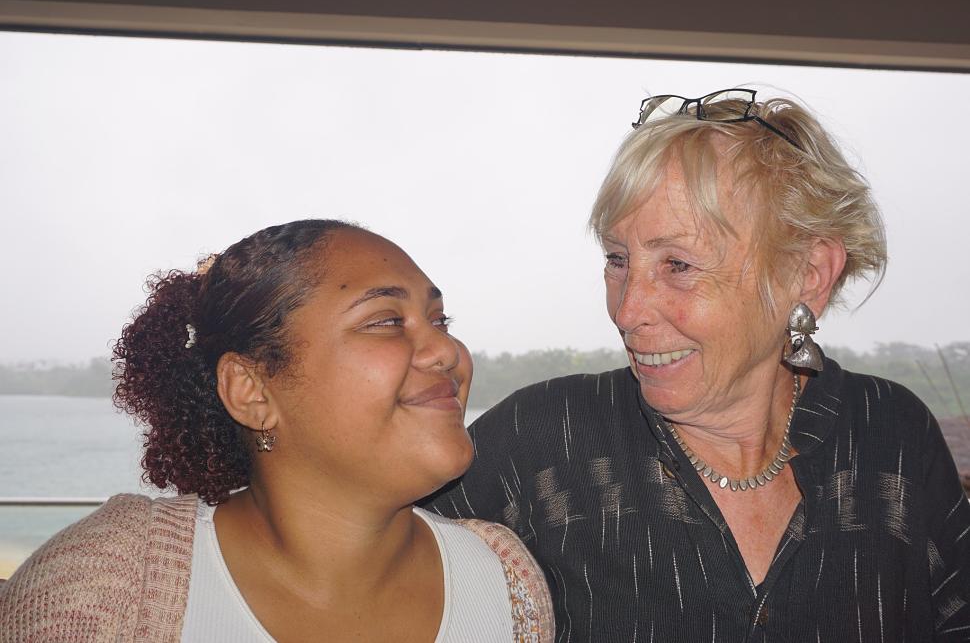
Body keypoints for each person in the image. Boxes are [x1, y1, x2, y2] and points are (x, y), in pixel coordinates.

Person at [426, 89, 970, 641]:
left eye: (678, 264)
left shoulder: (891, 433)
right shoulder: (543, 439)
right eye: (618, 259)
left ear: (808, 273)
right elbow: (369, 573)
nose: (627, 310)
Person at [0, 220, 553, 642]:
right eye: (386, 321)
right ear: (251, 390)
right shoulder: (107, 587)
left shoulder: (504, 580)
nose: (448, 351)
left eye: (440, 320)